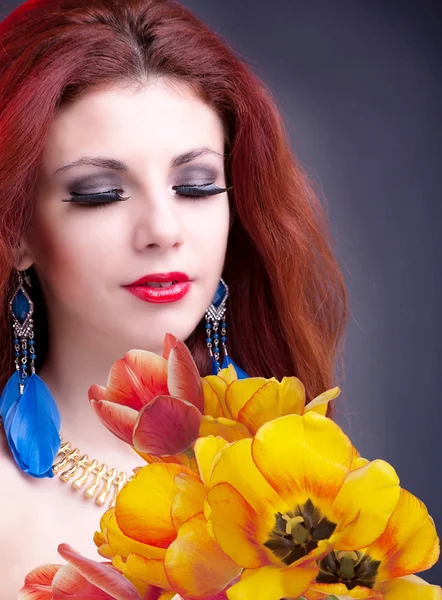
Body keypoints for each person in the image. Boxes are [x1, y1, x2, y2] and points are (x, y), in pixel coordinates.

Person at [0, 0, 349, 595]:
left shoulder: (303, 474)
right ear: (19, 232)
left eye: (196, 186)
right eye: (101, 193)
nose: (164, 228)